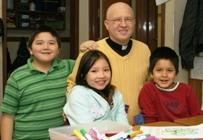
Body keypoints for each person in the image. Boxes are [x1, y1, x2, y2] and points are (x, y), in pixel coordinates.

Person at [67, 2, 151, 125]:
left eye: (128, 19)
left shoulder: (144, 49)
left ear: (134, 22)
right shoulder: (92, 51)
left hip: (137, 123)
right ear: (106, 24)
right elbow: (73, 84)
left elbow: (149, 83)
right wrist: (73, 107)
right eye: (117, 20)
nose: (123, 24)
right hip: (99, 126)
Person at [0, 26, 75, 140]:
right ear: (30, 50)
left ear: (58, 49)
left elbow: (90, 63)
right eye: (39, 43)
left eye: (51, 43)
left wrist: (86, 47)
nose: (46, 47)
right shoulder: (17, 77)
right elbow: (8, 116)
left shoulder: (67, 67)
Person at [138, 46, 203, 123]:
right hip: (159, 132)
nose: (164, 75)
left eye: (169, 70)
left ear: (176, 74)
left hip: (186, 132)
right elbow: (150, 119)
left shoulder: (187, 90)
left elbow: (197, 117)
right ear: (151, 73)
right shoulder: (148, 89)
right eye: (159, 70)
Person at [63, 50, 129, 125]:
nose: (102, 75)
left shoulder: (115, 94)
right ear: (83, 75)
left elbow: (123, 126)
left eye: (106, 70)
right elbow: (87, 129)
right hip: (90, 136)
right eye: (94, 71)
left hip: (116, 136)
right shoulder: (78, 94)